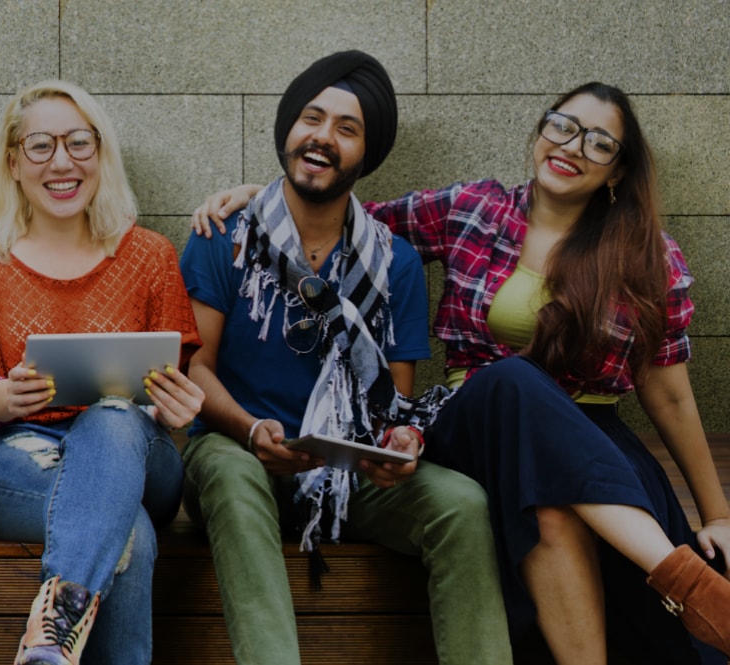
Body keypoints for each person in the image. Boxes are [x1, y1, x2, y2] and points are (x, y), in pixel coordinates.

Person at [194, 82, 730, 664]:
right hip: (473, 424)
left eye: (599, 143)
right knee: (512, 379)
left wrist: (719, 515)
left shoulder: (647, 254)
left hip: (591, 442)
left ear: (618, 171)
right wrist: (266, 198)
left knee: (546, 499)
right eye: (563, 126)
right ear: (541, 131)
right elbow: (348, 218)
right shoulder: (473, 210)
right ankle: (680, 577)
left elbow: (671, 397)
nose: (573, 147)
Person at [175, 51, 510, 664]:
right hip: (238, 450)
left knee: (462, 504)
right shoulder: (225, 237)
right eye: (312, 118)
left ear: (366, 153)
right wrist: (250, 430)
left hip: (346, 470)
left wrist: (399, 444)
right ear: (288, 130)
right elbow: (195, 367)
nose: (323, 138)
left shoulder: (397, 263)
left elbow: (394, 401)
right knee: (228, 471)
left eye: (347, 129)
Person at [0, 80, 203, 665]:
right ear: (13, 161)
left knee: (114, 415)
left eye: (79, 143)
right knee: (123, 527)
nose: (62, 162)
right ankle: (53, 647)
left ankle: (53, 630)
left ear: (101, 153)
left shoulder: (150, 255)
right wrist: (4, 397)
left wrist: (175, 409)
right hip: (6, 457)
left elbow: (169, 387)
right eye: (41, 146)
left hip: (137, 456)